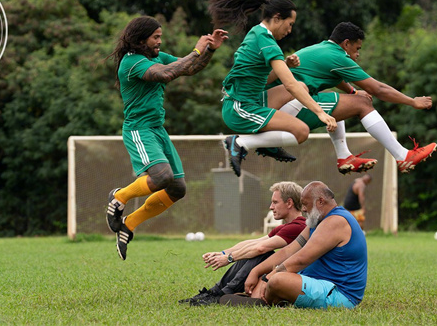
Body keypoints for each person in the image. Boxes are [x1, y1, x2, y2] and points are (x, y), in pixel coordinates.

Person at [106, 16, 229, 260]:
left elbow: (188, 68)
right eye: (156, 37)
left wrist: (210, 51)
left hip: (157, 130)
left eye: (160, 36)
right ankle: (119, 197)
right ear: (141, 39)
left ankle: (130, 224)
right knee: (162, 176)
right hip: (139, 129)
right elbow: (166, 74)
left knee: (178, 188)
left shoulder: (155, 57)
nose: (160, 41)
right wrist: (196, 49)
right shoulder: (132, 63)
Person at [206, 0, 337, 177]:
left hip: (250, 100)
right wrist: (320, 113)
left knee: (302, 86)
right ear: (276, 18)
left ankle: (270, 143)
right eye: (289, 24)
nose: (290, 30)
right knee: (301, 132)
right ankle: (240, 143)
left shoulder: (257, 33)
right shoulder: (267, 41)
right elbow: (290, 85)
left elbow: (263, 80)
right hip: (239, 109)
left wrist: (285, 65)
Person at [278, 22, 437, 174]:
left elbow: (333, 75)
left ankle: (344, 157)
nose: (358, 54)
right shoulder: (337, 56)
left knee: (342, 101)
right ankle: (403, 156)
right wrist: (412, 101)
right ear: (346, 44)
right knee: (362, 103)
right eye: (357, 48)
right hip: (286, 109)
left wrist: (353, 91)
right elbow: (378, 89)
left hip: (282, 103)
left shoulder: (322, 49)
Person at [223, 181, 367, 309]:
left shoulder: (336, 221)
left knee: (277, 279)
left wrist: (269, 278)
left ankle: (269, 301)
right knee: (270, 273)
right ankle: (270, 299)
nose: (303, 209)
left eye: (305, 204)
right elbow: (288, 251)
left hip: (340, 295)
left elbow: (301, 259)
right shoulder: (317, 221)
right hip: (317, 283)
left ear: (320, 201)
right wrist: (256, 271)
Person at [179, 181, 307, 306]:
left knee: (260, 253)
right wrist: (224, 253)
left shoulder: (298, 226)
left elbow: (261, 248)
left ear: (289, 203)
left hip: (291, 279)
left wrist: (229, 258)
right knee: (251, 251)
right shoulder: (287, 226)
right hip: (280, 274)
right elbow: (254, 242)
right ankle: (214, 292)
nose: (271, 207)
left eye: (275, 202)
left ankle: (222, 294)